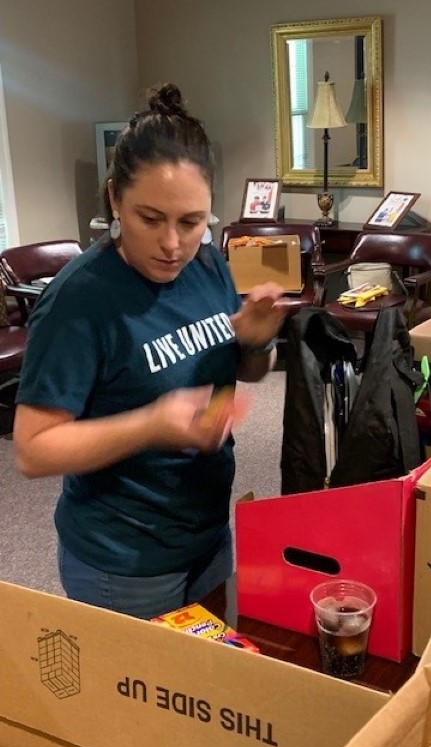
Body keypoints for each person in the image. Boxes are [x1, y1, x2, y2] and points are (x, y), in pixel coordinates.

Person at [13, 83, 287, 620]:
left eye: (191, 222)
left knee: (206, 686)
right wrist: (151, 425)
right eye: (150, 218)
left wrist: (256, 341)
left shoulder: (207, 266)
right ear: (115, 197)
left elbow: (251, 372)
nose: (171, 245)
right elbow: (31, 450)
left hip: (208, 532)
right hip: (125, 561)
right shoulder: (79, 302)